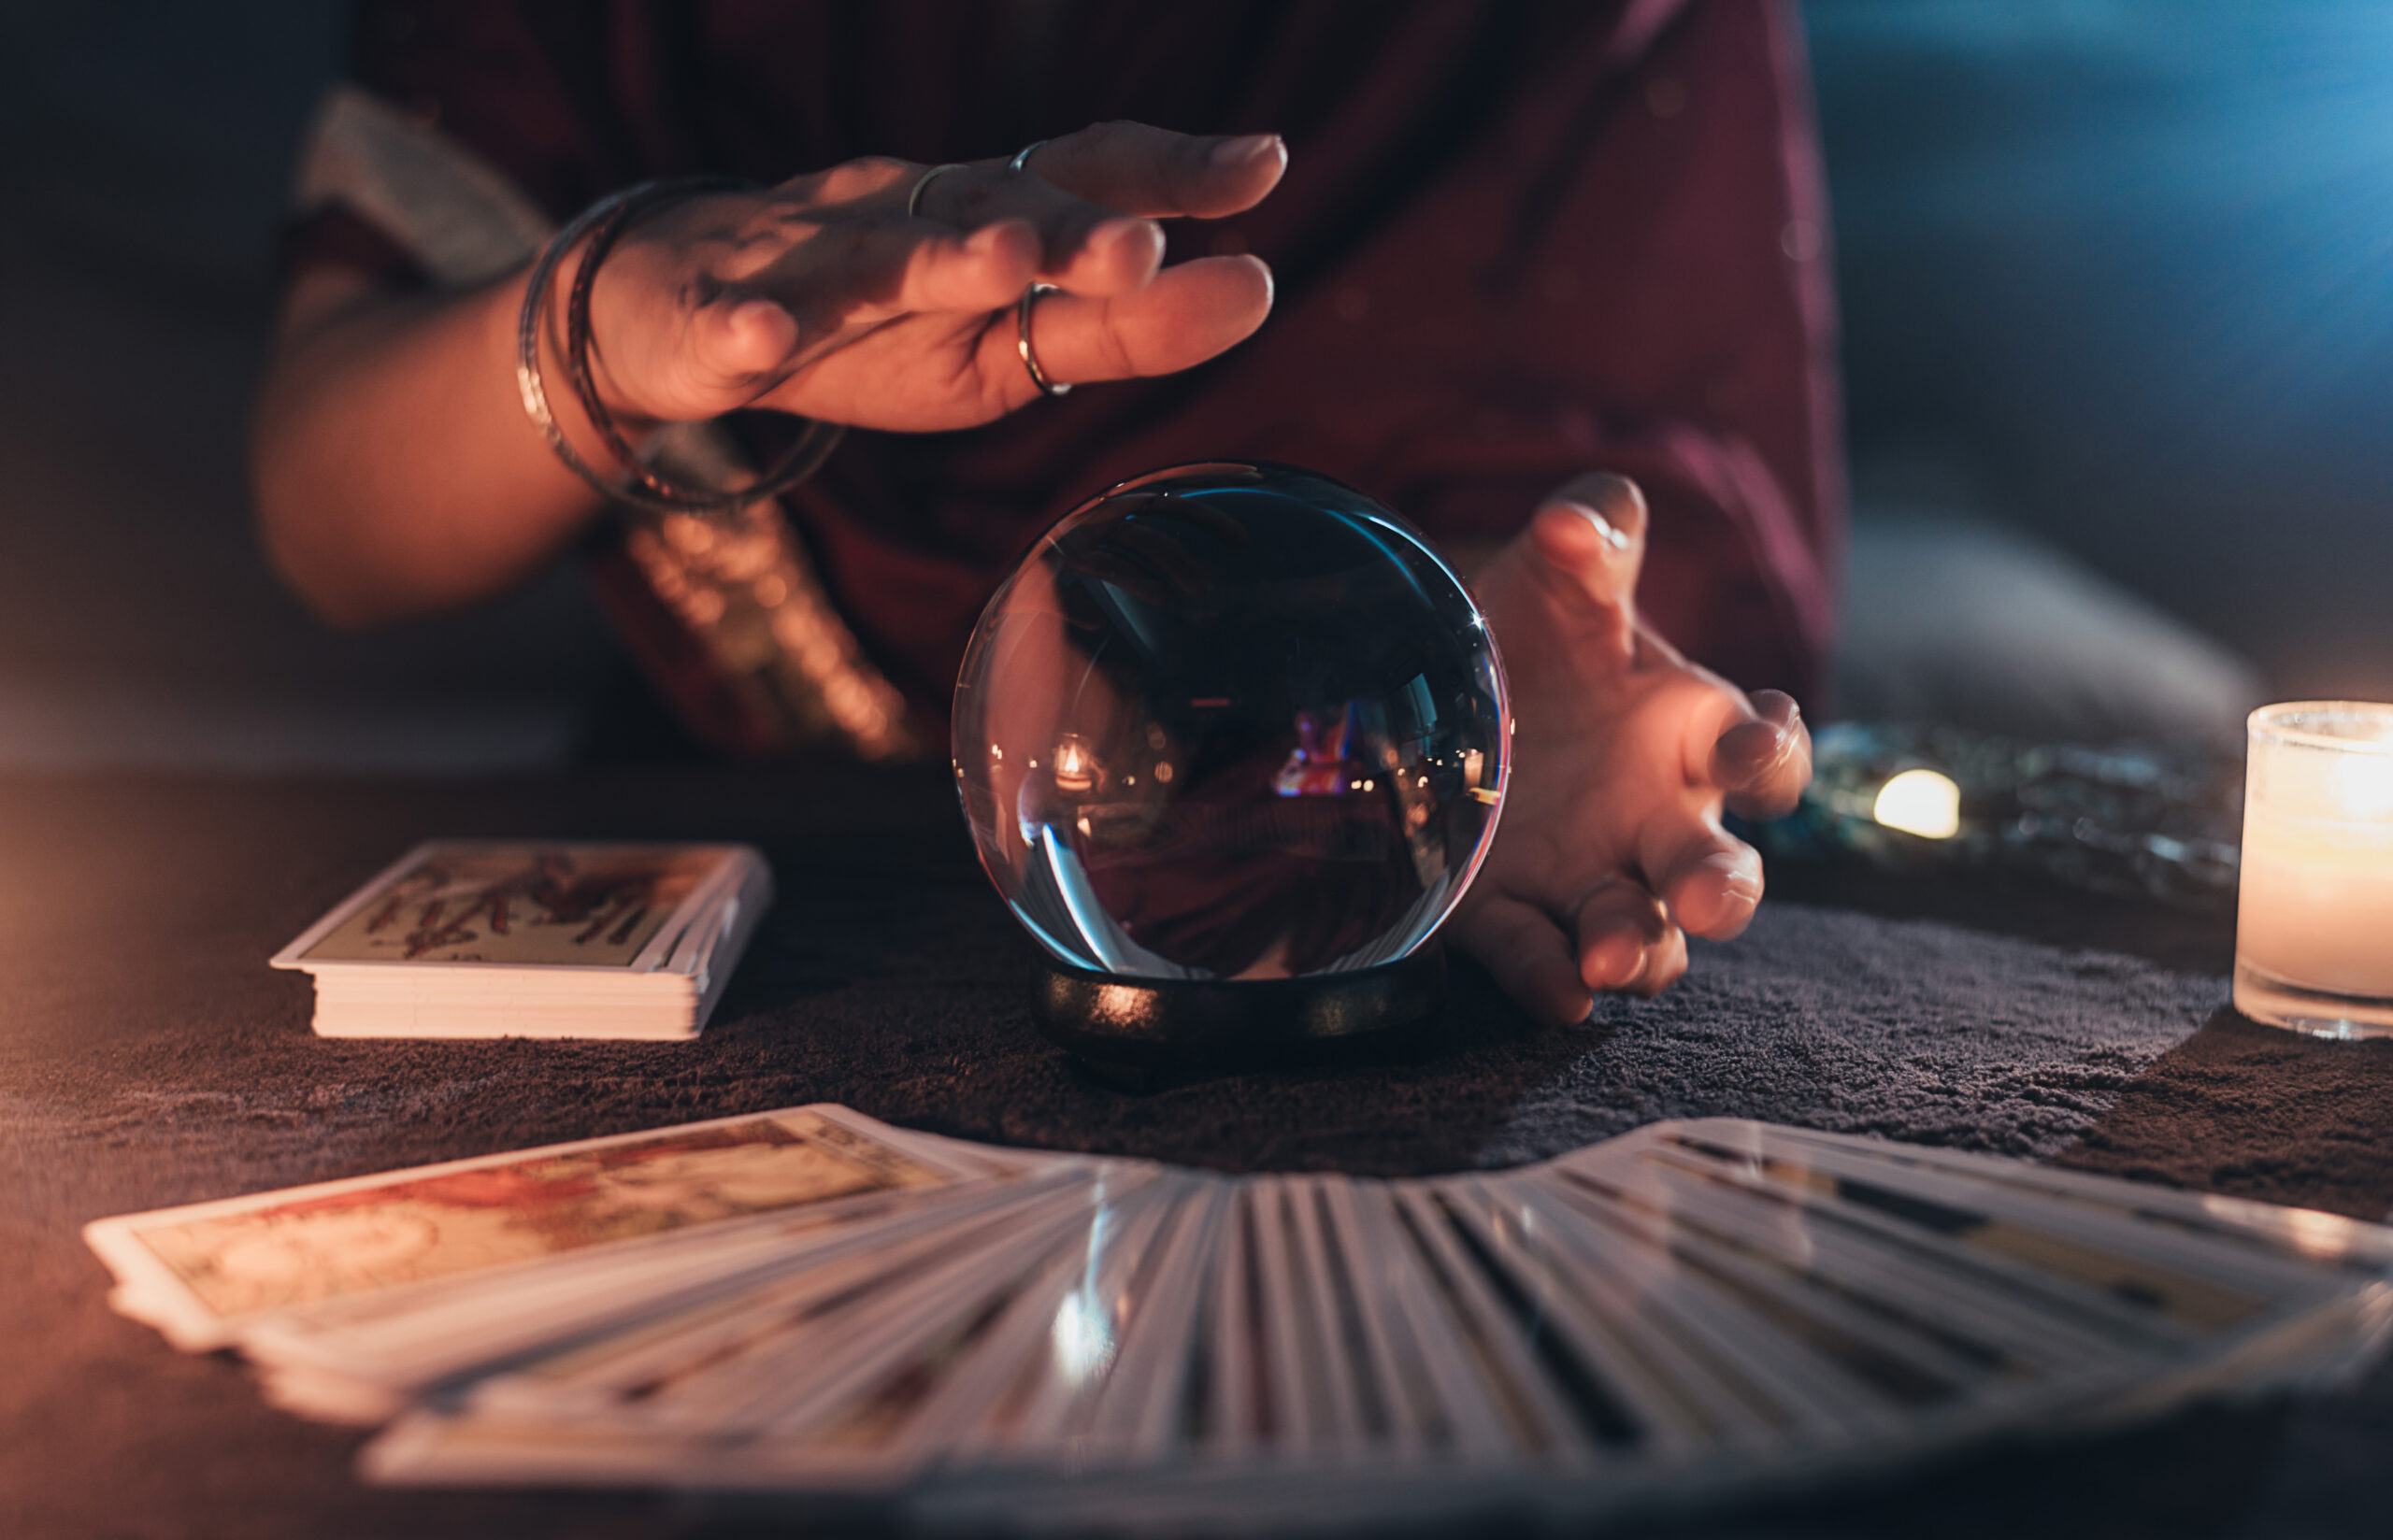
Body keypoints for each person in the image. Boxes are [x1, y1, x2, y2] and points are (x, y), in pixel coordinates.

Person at [252, 0, 1826, 1024]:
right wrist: (614, 324)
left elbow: (1643, 459)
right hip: (753, 876)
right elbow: (330, 525)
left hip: (1326, 843)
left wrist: (1471, 685)